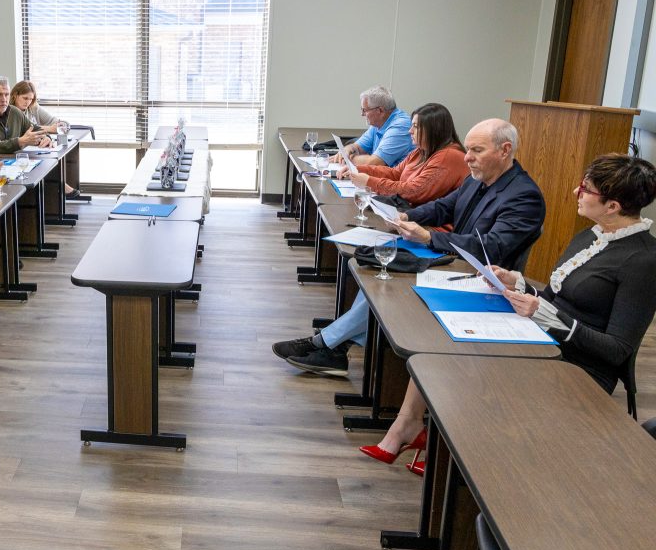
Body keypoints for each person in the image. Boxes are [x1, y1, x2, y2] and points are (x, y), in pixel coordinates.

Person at [361, 154, 656, 474]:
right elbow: (554, 299)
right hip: (541, 337)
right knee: (448, 340)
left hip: (578, 365)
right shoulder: (592, 234)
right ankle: (415, 430)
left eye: (586, 189)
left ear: (612, 206)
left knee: (467, 359)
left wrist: (546, 316)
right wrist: (517, 282)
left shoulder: (643, 261)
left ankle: (451, 458)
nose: (576, 192)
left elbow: (617, 350)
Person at [273, 118, 544, 376]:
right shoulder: (477, 178)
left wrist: (428, 237)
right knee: (382, 268)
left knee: (389, 280)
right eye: (468, 149)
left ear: (505, 151)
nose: (467, 157)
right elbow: (443, 207)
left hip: (482, 280)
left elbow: (491, 247)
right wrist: (406, 217)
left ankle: (327, 343)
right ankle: (333, 345)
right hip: (454, 262)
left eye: (476, 150)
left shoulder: (524, 196)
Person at [340, 102, 468, 207]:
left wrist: (369, 181)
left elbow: (414, 191)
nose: (410, 131)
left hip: (431, 227)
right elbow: (395, 173)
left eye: (416, 127)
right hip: (410, 215)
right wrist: (359, 170)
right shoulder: (422, 151)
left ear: (433, 130)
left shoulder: (448, 156)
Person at [10, 80, 79, 197]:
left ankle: (58, 189)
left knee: (53, 157)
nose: (28, 102)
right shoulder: (10, 111)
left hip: (35, 148)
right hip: (19, 151)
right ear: (15, 95)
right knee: (47, 162)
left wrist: (49, 129)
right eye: (25, 98)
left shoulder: (33, 108)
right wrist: (47, 129)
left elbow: (63, 124)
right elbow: (21, 133)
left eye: (31, 99)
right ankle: (60, 186)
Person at [0, 76, 51, 161]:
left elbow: (36, 129)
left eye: (6, 94)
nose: (4, 99)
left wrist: (47, 137)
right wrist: (19, 142)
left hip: (14, 164)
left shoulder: (15, 112)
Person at [332, 85, 415, 167]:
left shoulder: (400, 126)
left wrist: (348, 158)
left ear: (380, 111)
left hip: (399, 179)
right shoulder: (378, 123)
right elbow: (356, 147)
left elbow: (375, 163)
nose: (362, 114)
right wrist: (347, 150)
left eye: (364, 110)